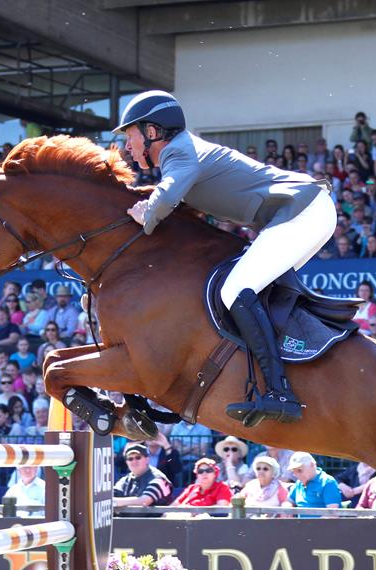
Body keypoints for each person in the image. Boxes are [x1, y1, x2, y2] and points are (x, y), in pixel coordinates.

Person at [117, 91, 333, 425]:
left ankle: (280, 393)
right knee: (252, 291)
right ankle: (293, 369)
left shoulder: (179, 151)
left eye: (130, 136)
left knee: (235, 290)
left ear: (152, 132)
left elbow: (166, 195)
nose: (127, 148)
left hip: (302, 211)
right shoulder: (184, 151)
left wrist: (146, 211)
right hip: (307, 211)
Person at [114, 442, 173, 508]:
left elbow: (144, 502)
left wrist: (113, 502)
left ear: (147, 459)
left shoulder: (158, 478)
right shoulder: (125, 480)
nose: (134, 461)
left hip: (153, 518)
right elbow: (111, 495)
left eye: (138, 457)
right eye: (130, 459)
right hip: (128, 518)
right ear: (126, 462)